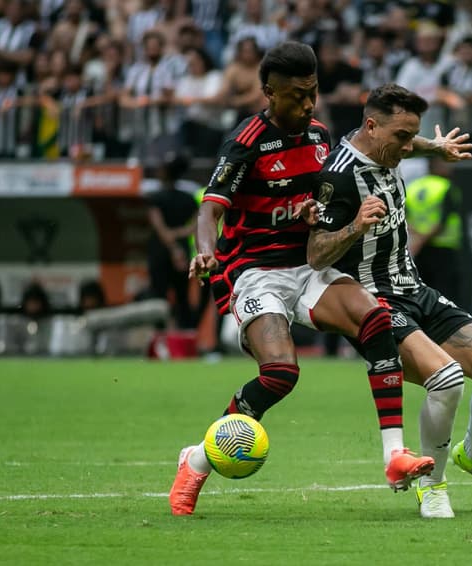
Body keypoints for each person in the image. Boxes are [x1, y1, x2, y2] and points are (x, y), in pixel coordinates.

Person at [169, 43, 435, 516]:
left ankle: (394, 456)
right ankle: (195, 460)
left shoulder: (318, 133)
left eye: (312, 93)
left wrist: (433, 148)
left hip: (310, 267)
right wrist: (205, 253)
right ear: (269, 92)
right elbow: (210, 209)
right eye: (296, 95)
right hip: (257, 273)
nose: (308, 104)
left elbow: (370, 147)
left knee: (376, 319)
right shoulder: (245, 141)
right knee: (280, 375)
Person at [309, 84, 472, 519]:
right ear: (371, 126)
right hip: (372, 301)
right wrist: (355, 227)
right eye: (402, 137)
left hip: (414, 288)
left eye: (413, 136)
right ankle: (432, 483)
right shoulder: (339, 175)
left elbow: (408, 142)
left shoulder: (389, 145)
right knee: (447, 380)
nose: (408, 147)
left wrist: (436, 147)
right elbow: (314, 255)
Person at [146, 152, 198, 330]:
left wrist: (172, 243)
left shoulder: (156, 198)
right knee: (182, 296)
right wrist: (179, 236)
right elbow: (196, 224)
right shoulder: (188, 198)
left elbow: (161, 230)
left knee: (159, 296)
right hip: (182, 252)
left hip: (161, 253)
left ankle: (160, 338)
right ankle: (185, 337)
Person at [405, 158, 463, 300]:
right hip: (443, 247)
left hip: (419, 249)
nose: (450, 168)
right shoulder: (445, 186)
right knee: (445, 294)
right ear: (435, 166)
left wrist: (417, 238)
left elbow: (403, 216)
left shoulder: (412, 187)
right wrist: (423, 239)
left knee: (423, 293)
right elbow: (443, 221)